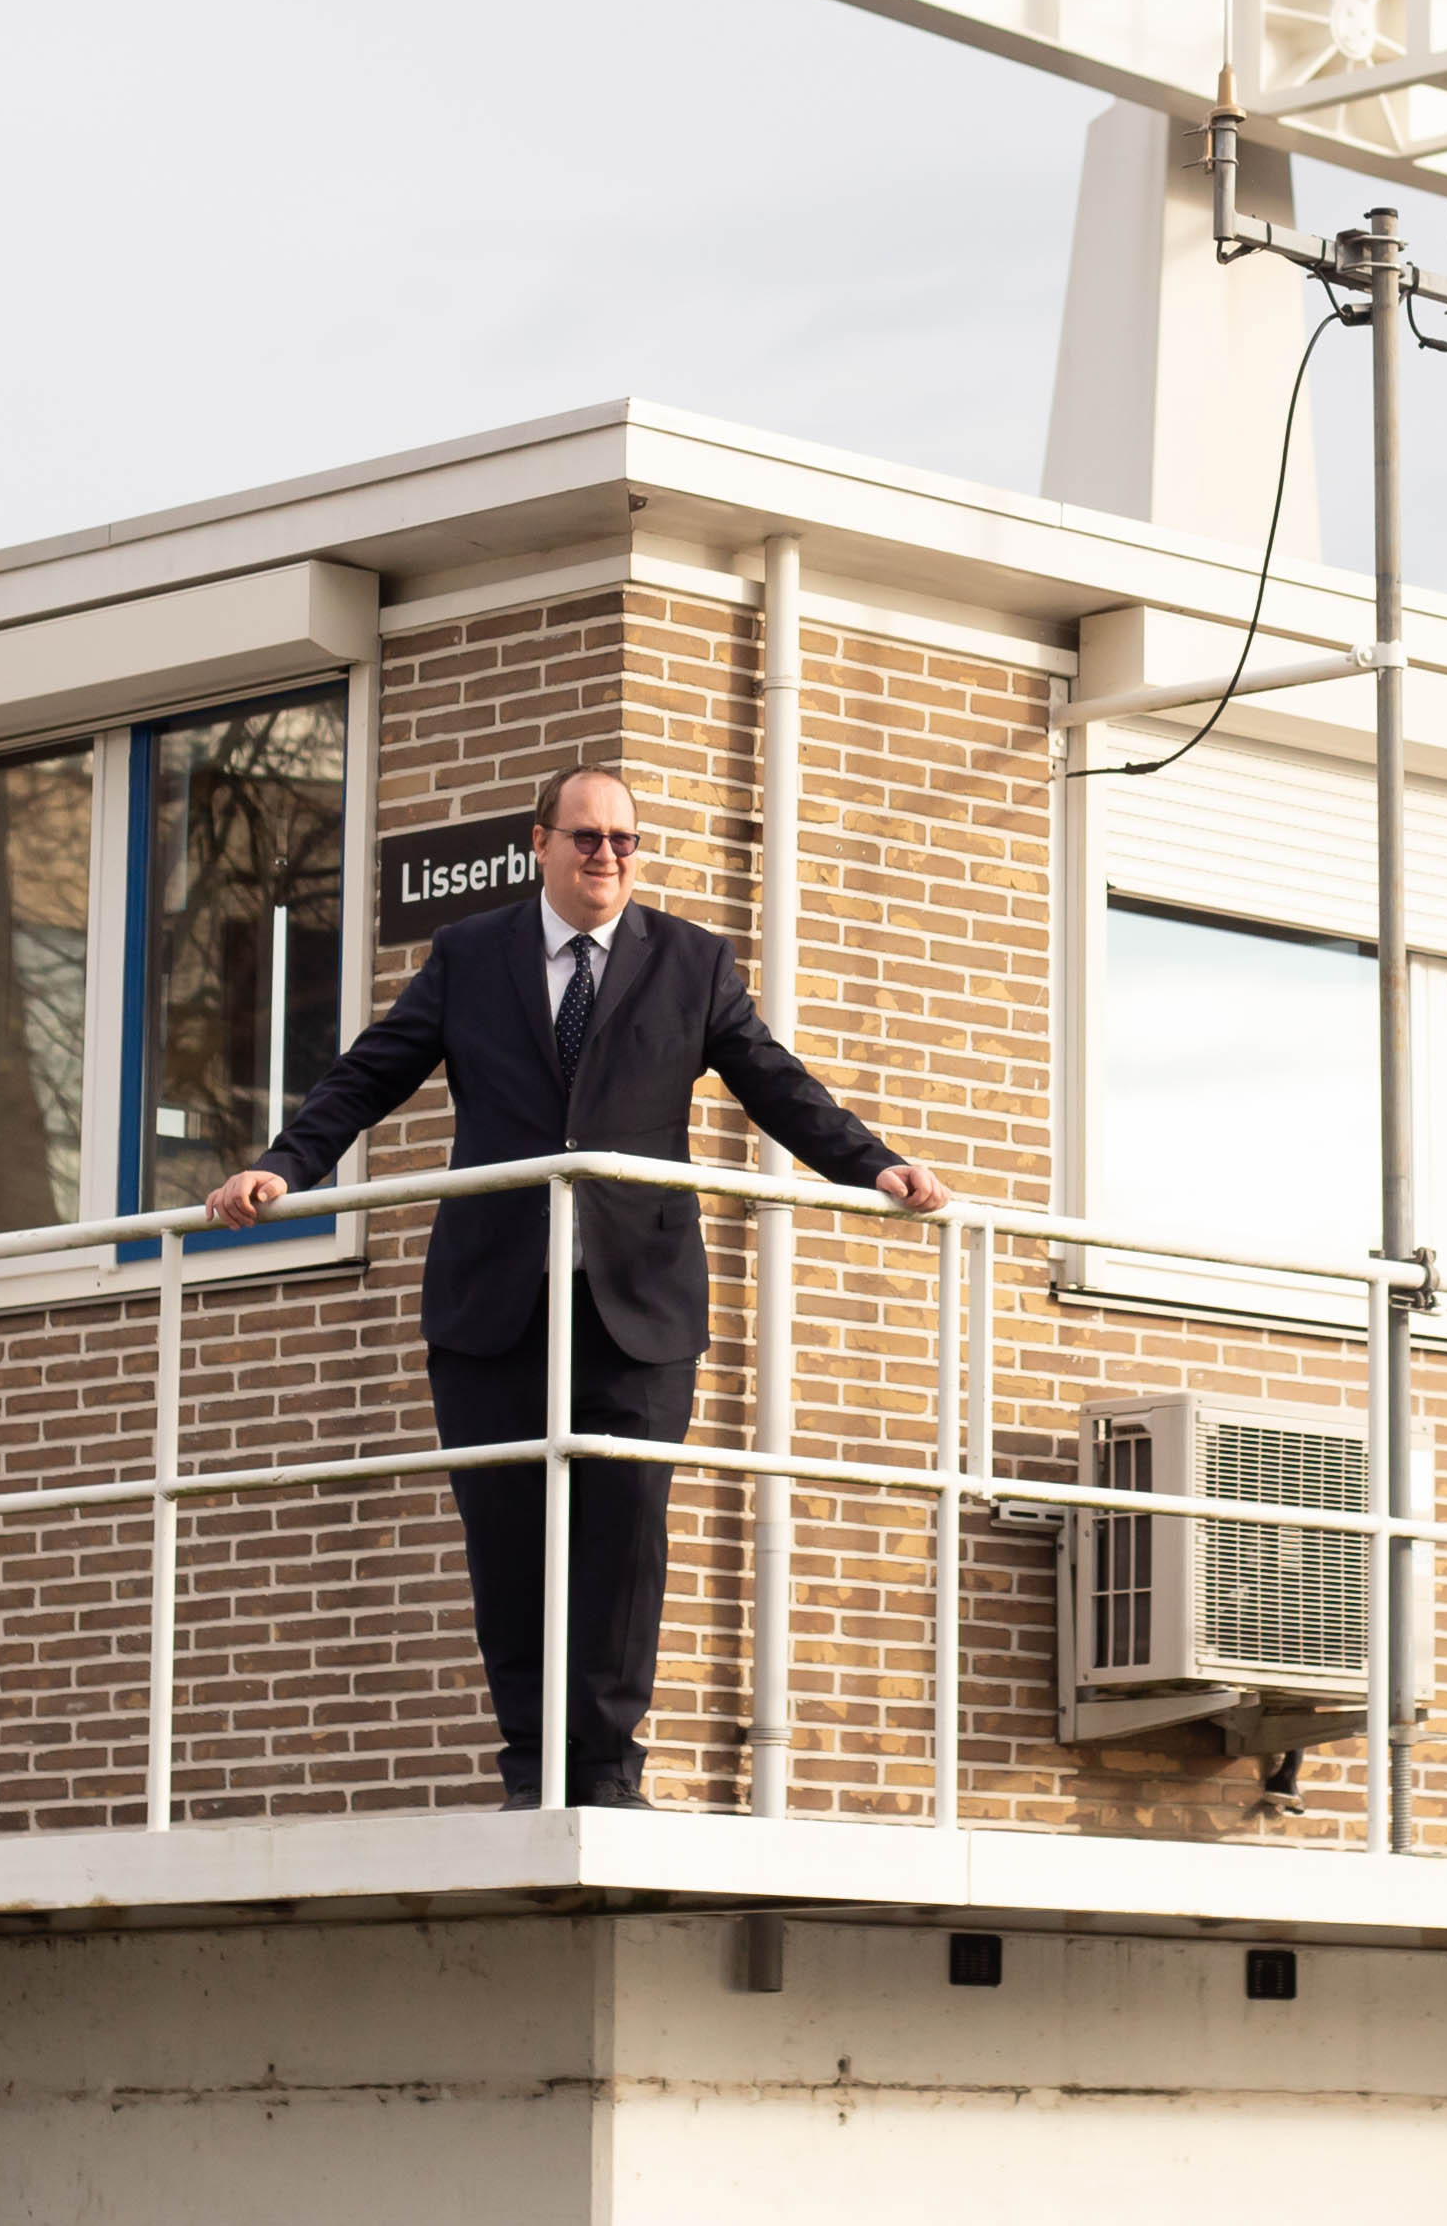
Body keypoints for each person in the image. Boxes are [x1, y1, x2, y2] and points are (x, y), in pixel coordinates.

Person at [209, 761, 947, 1808]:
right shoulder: (469, 956)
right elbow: (371, 1069)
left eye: (625, 840)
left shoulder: (691, 962)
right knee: (507, 1540)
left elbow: (772, 1078)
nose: (607, 855)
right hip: (491, 1301)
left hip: (639, 1305)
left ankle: (603, 1774)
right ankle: (531, 1770)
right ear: (540, 842)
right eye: (587, 836)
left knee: (623, 1540)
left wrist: (871, 1162)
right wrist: (284, 1164)